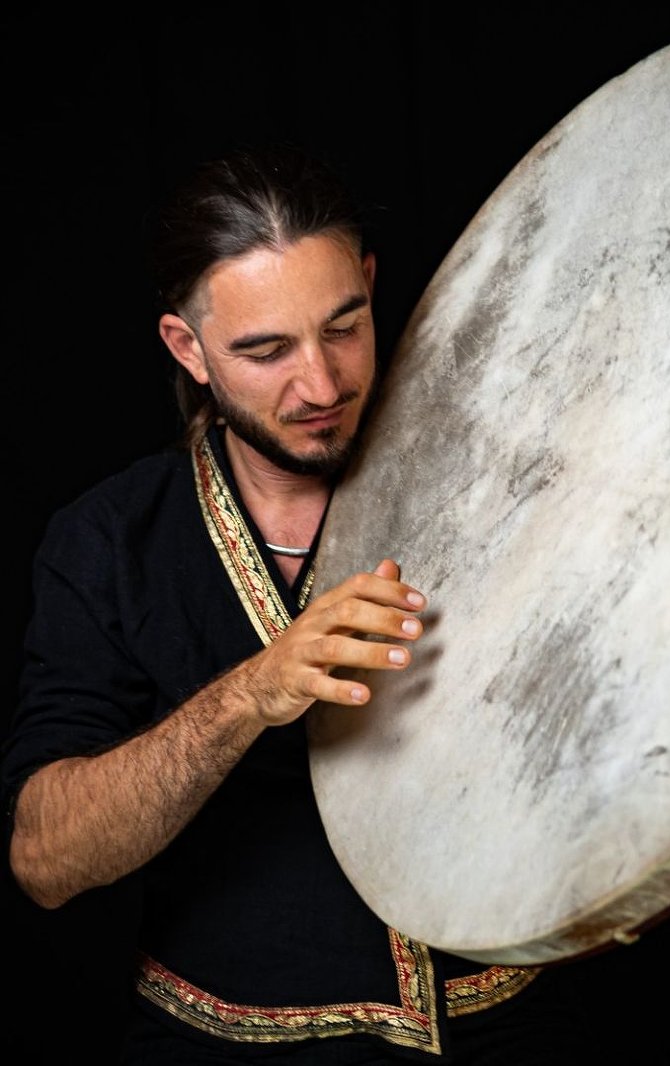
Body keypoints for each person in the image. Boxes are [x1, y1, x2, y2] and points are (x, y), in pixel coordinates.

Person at [1, 143, 595, 1064]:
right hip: (219, 1050)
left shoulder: (504, 475)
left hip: (510, 1030)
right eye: (266, 350)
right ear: (188, 349)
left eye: (344, 327)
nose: (321, 385)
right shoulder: (109, 541)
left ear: (369, 285)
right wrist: (250, 693)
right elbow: (45, 861)